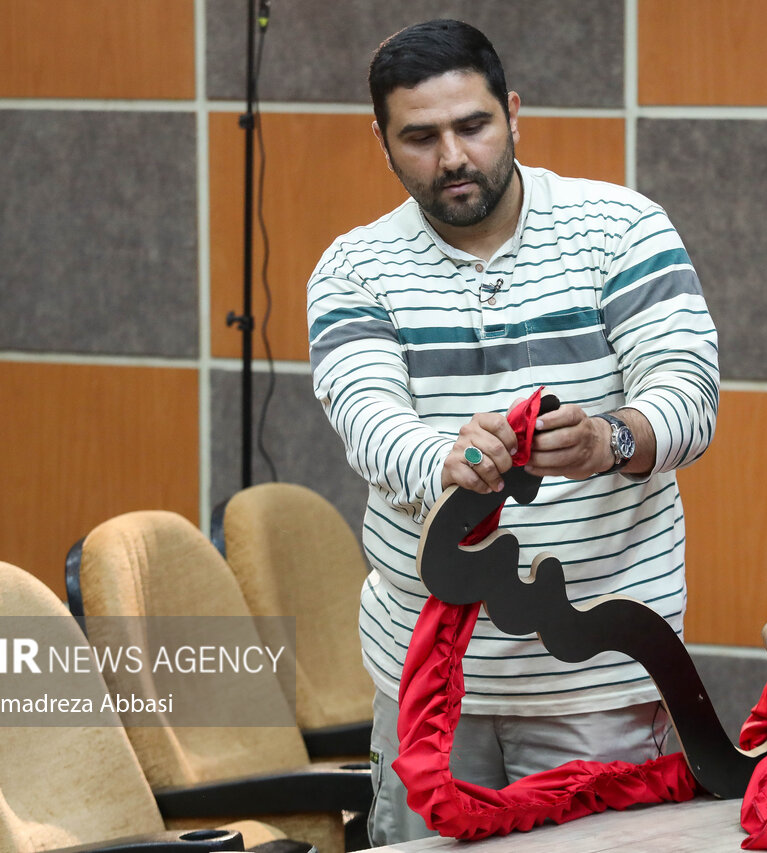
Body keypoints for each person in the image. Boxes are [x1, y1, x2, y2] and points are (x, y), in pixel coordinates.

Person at [306, 19, 718, 844]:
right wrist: (447, 459)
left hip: (599, 682)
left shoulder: (620, 229)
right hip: (427, 690)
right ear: (381, 142)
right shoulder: (354, 268)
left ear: (514, 113)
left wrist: (611, 439)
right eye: (420, 137)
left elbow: (688, 393)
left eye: (473, 125)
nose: (453, 157)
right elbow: (369, 422)